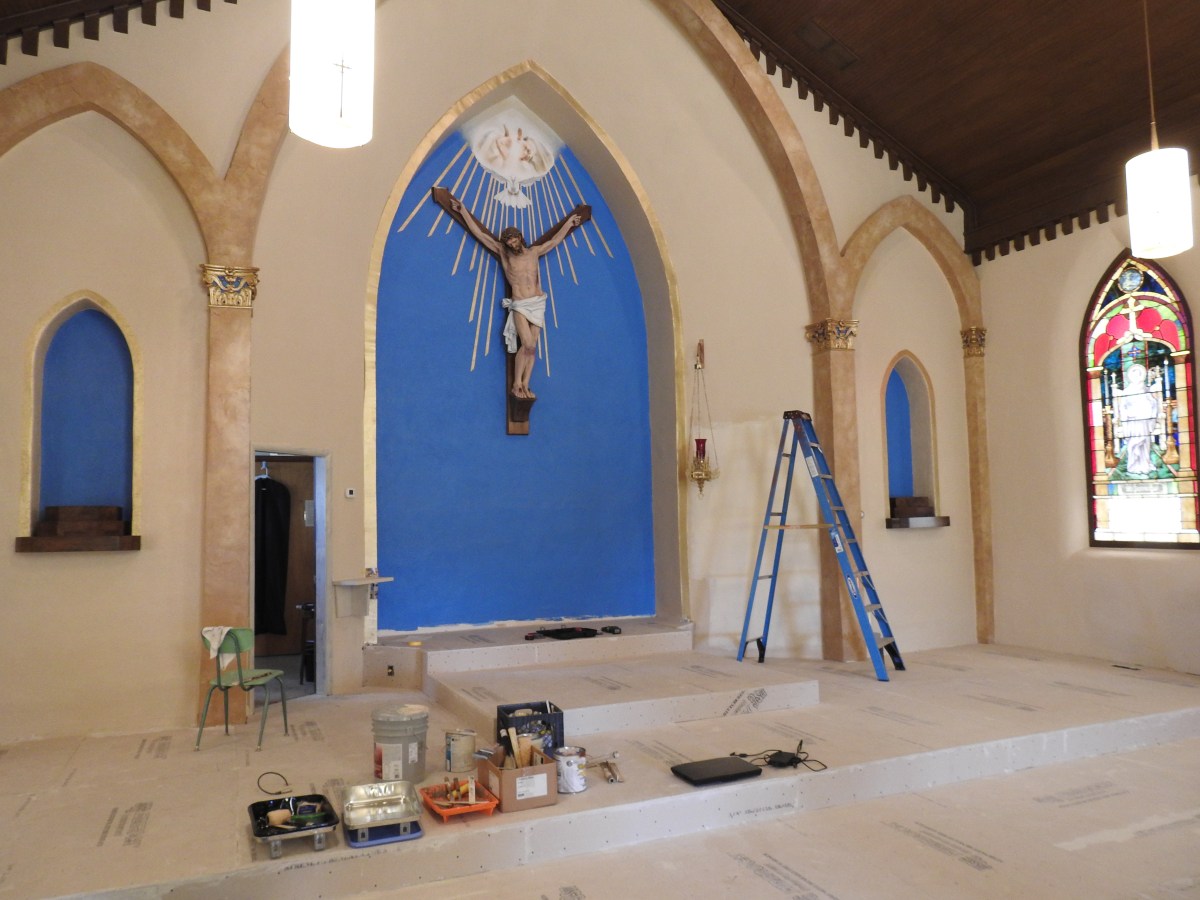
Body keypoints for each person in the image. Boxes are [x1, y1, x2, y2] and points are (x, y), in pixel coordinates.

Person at [436, 187, 587, 399]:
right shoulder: (504, 253)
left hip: (538, 302)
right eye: (508, 241)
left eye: (513, 240)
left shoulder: (534, 252)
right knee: (527, 343)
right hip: (520, 304)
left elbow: (554, 241)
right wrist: (463, 211)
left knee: (532, 348)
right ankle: (516, 384)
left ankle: (525, 384)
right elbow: (479, 234)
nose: (511, 244)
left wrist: (569, 224)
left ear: (520, 237)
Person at [1113, 363, 1163, 476]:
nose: (1136, 377)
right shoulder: (1127, 391)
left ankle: (1145, 464)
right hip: (1132, 421)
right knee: (1133, 443)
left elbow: (1153, 403)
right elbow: (1123, 407)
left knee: (1145, 443)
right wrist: (1127, 416)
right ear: (1131, 377)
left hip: (1144, 419)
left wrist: (1148, 407)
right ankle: (1133, 465)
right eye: (1134, 375)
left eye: (1139, 375)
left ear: (1142, 376)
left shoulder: (1146, 389)